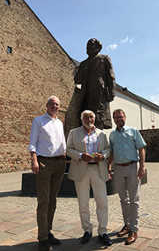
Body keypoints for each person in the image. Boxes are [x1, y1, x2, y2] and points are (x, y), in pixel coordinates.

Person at [66, 110, 112, 246]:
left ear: (94, 118)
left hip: (98, 170)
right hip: (81, 170)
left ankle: (103, 231)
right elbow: (68, 149)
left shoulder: (102, 133)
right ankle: (87, 230)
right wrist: (80, 156)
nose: (89, 119)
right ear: (82, 119)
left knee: (102, 202)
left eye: (91, 117)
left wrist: (102, 155)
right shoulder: (74, 133)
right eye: (86, 117)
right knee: (83, 202)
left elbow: (108, 149)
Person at [28, 96, 66, 251]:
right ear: (47, 105)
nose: (54, 106)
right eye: (52, 104)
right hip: (44, 163)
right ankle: (42, 238)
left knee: (53, 200)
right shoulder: (38, 121)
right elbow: (32, 142)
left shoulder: (59, 122)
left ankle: (48, 231)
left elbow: (61, 142)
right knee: (43, 201)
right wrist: (34, 160)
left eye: (57, 104)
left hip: (60, 163)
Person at [109, 109, 146, 245]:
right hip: (118, 168)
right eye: (116, 117)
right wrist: (109, 166)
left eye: (121, 116)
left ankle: (134, 230)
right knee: (123, 199)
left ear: (125, 117)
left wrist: (142, 166)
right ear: (114, 119)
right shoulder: (112, 135)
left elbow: (141, 148)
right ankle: (127, 225)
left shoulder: (133, 131)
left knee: (134, 200)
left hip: (132, 167)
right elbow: (112, 152)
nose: (119, 119)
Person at [74, 38, 115, 130]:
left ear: (98, 47)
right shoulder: (83, 64)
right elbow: (77, 80)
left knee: (98, 117)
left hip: (99, 93)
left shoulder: (104, 59)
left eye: (91, 46)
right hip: (85, 94)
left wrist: (111, 92)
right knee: (85, 117)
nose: (88, 49)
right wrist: (79, 70)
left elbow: (111, 76)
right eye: (87, 47)